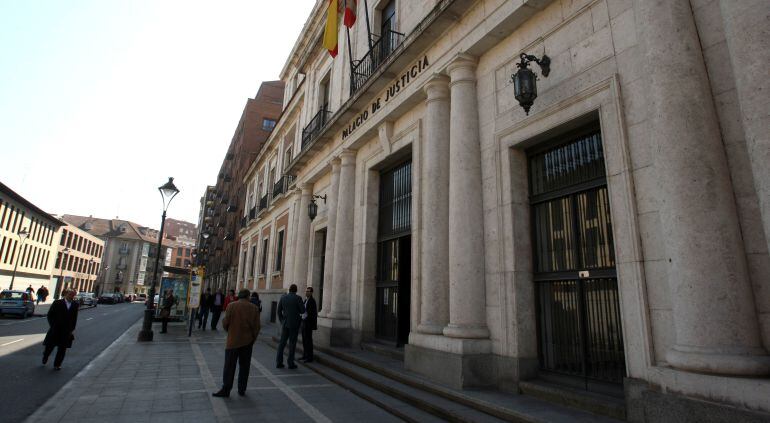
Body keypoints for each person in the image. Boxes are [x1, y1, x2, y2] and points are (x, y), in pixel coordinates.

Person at [212, 289, 261, 398]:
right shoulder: (254, 308)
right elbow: (257, 327)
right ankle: (242, 389)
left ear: (239, 296)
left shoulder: (231, 306)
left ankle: (226, 389)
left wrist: (230, 331)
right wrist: (253, 339)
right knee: (244, 367)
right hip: (247, 342)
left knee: (229, 366)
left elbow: (225, 322)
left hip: (232, 341)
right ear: (248, 296)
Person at [42, 288, 79, 370]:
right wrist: (53, 325)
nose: (71, 296)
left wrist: (72, 328)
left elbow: (74, 318)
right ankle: (45, 356)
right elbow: (50, 315)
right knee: (50, 346)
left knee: (62, 349)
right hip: (55, 329)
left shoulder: (75, 304)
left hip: (66, 331)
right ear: (66, 294)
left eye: (73, 295)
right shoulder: (57, 303)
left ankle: (57, 364)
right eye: (70, 294)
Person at [275, 284, 305, 369]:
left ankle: (279, 362)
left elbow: (278, 311)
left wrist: (282, 320)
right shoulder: (298, 298)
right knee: (292, 344)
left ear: (289, 290)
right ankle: (290, 362)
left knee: (282, 343)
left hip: (285, 323)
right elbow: (303, 310)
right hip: (294, 324)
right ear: (296, 290)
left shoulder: (283, 297)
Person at [299, 286, 318, 363]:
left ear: (311, 293)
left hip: (308, 324)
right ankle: (305, 355)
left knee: (308, 341)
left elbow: (312, 314)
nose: (307, 292)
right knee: (304, 340)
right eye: (306, 291)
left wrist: (306, 317)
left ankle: (309, 357)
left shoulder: (312, 301)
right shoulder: (305, 300)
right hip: (304, 322)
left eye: (308, 291)